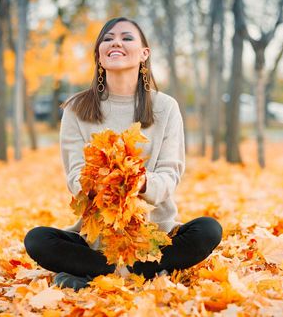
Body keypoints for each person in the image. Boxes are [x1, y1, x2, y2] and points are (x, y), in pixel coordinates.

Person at [24, 17, 222, 291]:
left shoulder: (165, 107)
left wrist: (137, 182)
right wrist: (104, 182)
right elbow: (74, 176)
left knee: (208, 230)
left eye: (127, 38)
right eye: (107, 38)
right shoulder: (76, 108)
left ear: (144, 54)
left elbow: (169, 175)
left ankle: (106, 273)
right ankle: (129, 272)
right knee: (37, 240)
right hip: (97, 241)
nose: (115, 42)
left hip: (154, 235)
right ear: (99, 54)